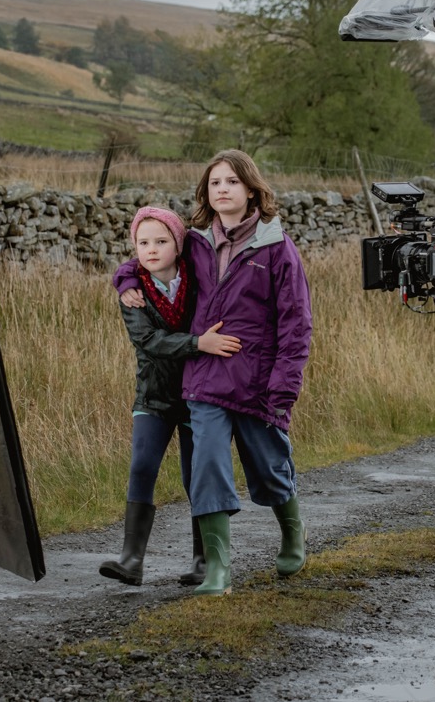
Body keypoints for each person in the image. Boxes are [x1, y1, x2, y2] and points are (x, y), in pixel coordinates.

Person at [116, 150, 313, 596]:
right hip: (203, 378)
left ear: (251, 189)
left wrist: (283, 387)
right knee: (205, 466)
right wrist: (125, 280)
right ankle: (218, 570)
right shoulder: (198, 244)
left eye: (231, 182)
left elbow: (296, 322)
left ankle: (292, 533)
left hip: (257, 382)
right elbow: (150, 256)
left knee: (267, 467)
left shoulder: (277, 247)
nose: (222, 189)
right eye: (214, 183)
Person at [99, 206, 241, 587]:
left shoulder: (198, 280)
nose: (151, 249)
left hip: (199, 393)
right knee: (142, 467)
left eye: (161, 241)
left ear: (177, 246)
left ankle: (203, 560)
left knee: (197, 475)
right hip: (154, 396)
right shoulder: (133, 293)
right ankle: (131, 561)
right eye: (142, 242)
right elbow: (147, 340)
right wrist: (199, 343)